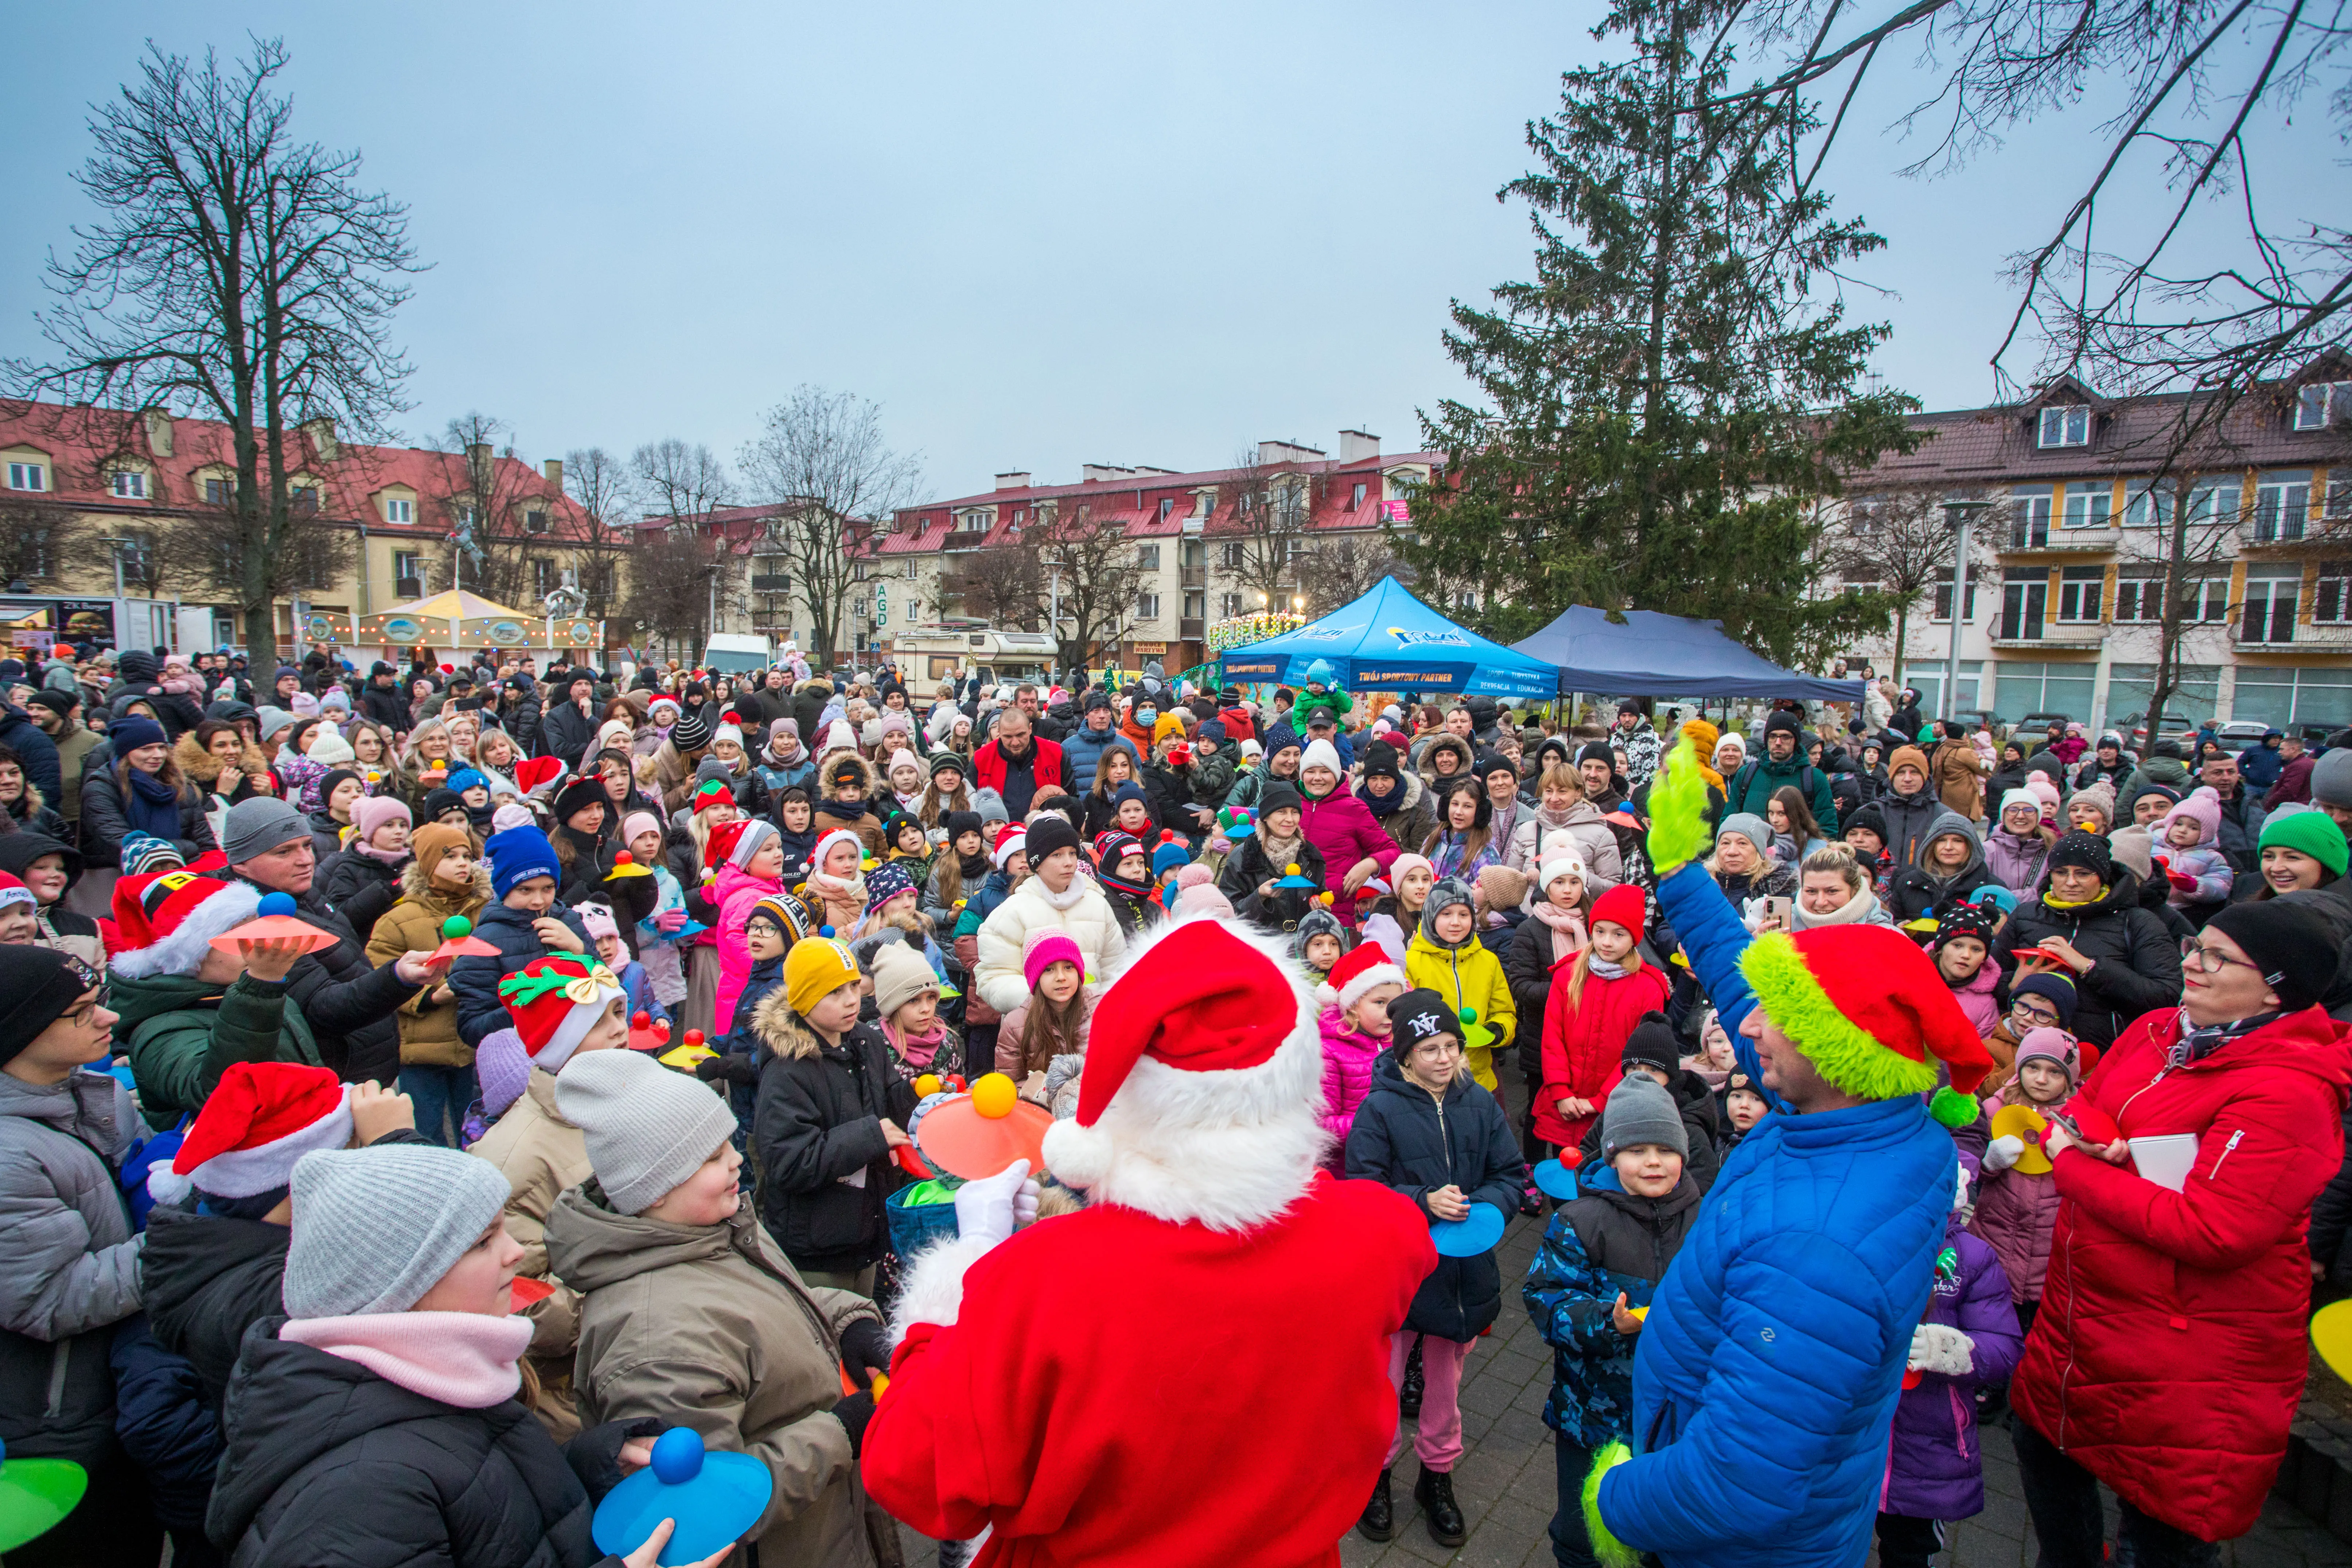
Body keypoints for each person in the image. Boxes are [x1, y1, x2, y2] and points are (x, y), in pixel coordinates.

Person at [860, 918, 1435, 1564]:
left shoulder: (1040, 1281)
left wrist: (962, 1274)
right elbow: (1401, 1241)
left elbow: (911, 1470)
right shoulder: (1375, 1235)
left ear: (1125, 1092)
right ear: (1297, 1072)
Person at [1586, 736, 1994, 1568]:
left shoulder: (1818, 1248)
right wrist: (1676, 867)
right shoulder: (1871, 1113)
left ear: (1835, 1047)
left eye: (1780, 1018)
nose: (1744, 1030)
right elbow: (1745, 984)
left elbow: (1736, 1485)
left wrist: (1613, 1497)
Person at [2011, 902, 2352, 1563]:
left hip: (2191, 1349)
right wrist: (2102, 1141)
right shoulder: (2153, 1031)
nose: (2190, 962)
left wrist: (2074, 1167)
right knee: (2041, 1449)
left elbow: (2215, 1229)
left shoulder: (2288, 1093)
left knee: (2161, 1522)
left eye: (2217, 957)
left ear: (2275, 987)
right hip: (2089, 1315)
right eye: (2196, 945)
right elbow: (2084, 1106)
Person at [202, 1140, 706, 1568]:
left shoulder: (437, 1381)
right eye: (485, 1240)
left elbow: (489, 1514)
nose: (514, 1252)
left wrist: (589, 1465)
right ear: (403, 1287)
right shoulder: (358, 1495)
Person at [544, 1048, 889, 1566]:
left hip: (829, 1526)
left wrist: (849, 1319)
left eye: (728, 1142)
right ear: (654, 1190)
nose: (736, 1159)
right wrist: (838, 1434)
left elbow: (769, 1307)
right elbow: (704, 1506)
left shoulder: (716, 1228)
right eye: (709, 1157)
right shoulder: (656, 1341)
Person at [1345, 986, 1526, 1548]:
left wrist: (1486, 1207)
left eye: (1452, 1045)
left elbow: (1510, 1174)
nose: (1445, 1058)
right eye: (1430, 1049)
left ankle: (1436, 1477)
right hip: (1399, 1275)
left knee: (1445, 1390)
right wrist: (1423, 1200)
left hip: (1461, 1277)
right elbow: (1363, 1187)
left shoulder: (1479, 1104)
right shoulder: (1380, 1108)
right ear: (1404, 1057)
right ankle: (1373, 1477)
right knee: (1385, 1383)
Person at [0, 947, 157, 1568]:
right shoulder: (10, 1157)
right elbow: (47, 1300)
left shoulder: (88, 1098)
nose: (108, 1020)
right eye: (81, 1012)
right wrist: (186, 1240)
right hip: (53, 1419)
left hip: (109, 1392)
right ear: (20, 1033)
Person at [1526, 1073, 1702, 1568]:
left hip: (1674, 1420)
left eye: (1665, 1149)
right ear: (1611, 1155)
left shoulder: (1707, 1219)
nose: (1653, 1161)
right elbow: (1546, 1300)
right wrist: (1609, 1322)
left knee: (1657, 1534)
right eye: (1637, 1149)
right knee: (1585, 1532)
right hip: (1592, 1415)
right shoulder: (1580, 1220)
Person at [211, 797, 453, 1088]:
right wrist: (397, 977)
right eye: (283, 851)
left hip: (367, 1070)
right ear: (241, 863)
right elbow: (321, 1009)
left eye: (306, 845)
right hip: (336, 1081)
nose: (305, 859)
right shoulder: (257, 920)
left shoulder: (305, 895)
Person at [751, 935, 918, 1293]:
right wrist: (871, 1135)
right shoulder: (788, 1068)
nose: (851, 999)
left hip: (865, 1232)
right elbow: (790, 1161)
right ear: (804, 999)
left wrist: (916, 1094)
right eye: (834, 992)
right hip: (816, 1247)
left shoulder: (864, 1040)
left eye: (854, 985)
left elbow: (885, 1104)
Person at [1877, 1162, 2023, 1568]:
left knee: (1908, 1550)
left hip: (1926, 1440)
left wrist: (1946, 1349)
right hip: (1858, 1428)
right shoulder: (1873, 1238)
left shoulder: (1970, 1257)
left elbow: (2003, 1345)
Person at [1989, 829, 2182, 1052]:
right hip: (2025, 1054)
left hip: (2105, 1055)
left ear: (2102, 876)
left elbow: (2168, 995)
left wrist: (2088, 967)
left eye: (2083, 874)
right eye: (2061, 872)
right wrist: (2014, 984)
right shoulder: (2025, 916)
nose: (2070, 882)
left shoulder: (2137, 922)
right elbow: (1986, 980)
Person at [363, 823, 489, 1147]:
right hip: (422, 1050)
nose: (464, 863)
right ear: (428, 865)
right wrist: (430, 996)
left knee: (477, 1130)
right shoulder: (397, 920)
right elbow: (380, 976)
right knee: (426, 1131)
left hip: (475, 1043)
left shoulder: (487, 911)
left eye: (467, 855)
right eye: (451, 856)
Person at [1533, 881, 1665, 1157]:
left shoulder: (1648, 987)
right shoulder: (1567, 974)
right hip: (1565, 1102)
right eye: (1600, 931)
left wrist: (1601, 1099)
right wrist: (1560, 1090)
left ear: (1634, 938)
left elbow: (1638, 1052)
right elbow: (1553, 1036)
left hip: (1613, 1105)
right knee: (1562, 1178)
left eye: (1619, 934)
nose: (1607, 942)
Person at [970, 814, 1122, 1017]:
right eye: (1057, 855)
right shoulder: (1012, 911)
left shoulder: (1098, 905)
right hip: (1035, 1030)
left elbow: (1116, 969)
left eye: (1072, 853)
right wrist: (1043, 1000)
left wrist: (1102, 1009)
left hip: (1092, 1026)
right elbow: (993, 979)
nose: (1069, 862)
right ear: (1037, 863)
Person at [1405, 875, 1516, 1092]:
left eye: (1464, 914)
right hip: (1427, 1081)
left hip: (1479, 1078)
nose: (1456, 922)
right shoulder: (1412, 963)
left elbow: (1505, 1012)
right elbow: (1403, 1023)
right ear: (1430, 916)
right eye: (1446, 914)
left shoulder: (1488, 961)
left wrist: (1499, 1029)